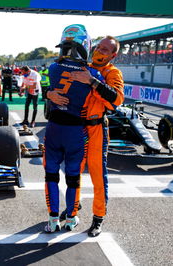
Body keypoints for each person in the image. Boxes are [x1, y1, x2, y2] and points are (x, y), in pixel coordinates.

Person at [48, 36, 124, 237]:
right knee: (74, 172)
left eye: (105, 50)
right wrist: (49, 94)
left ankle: (98, 218)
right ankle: (73, 207)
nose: (99, 51)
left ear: (113, 56)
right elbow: (58, 87)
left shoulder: (112, 73)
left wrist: (91, 81)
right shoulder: (81, 66)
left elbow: (116, 100)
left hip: (97, 129)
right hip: (77, 129)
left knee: (98, 176)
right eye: (98, 47)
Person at [43, 24, 106, 233]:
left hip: (53, 128)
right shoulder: (94, 74)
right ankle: (71, 218)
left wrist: (50, 94)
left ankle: (52, 220)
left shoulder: (52, 68)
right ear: (85, 45)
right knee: (73, 176)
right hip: (76, 131)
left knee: (51, 174)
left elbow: (49, 89)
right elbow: (109, 101)